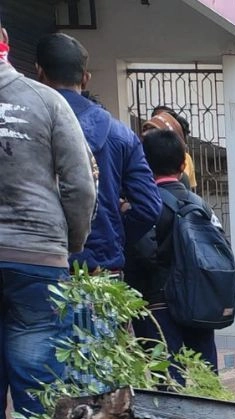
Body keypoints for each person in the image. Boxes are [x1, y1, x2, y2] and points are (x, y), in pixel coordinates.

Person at [0, 13, 98, 419]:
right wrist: (69, 244)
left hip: (35, 257)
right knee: (39, 387)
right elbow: (81, 187)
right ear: (5, 40)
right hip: (36, 259)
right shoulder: (46, 101)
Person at [35, 33, 160, 273]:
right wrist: (113, 235)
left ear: (39, 73)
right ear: (85, 78)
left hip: (38, 265)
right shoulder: (121, 135)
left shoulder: (25, 126)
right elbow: (148, 207)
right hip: (102, 269)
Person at [126, 128, 221, 379]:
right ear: (182, 165)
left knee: (169, 381)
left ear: (144, 164)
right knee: (206, 377)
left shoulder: (144, 204)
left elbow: (142, 252)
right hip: (199, 302)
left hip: (158, 301)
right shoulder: (202, 206)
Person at [142, 106, 197, 189]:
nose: (147, 135)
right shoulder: (137, 165)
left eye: (154, 131)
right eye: (145, 130)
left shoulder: (180, 176)